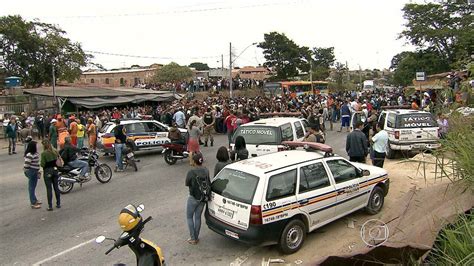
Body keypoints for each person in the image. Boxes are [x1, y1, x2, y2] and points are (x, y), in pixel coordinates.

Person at [185, 152, 209, 245]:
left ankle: (193, 238)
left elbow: (187, 183)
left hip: (193, 197)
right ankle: (196, 237)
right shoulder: (206, 170)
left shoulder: (191, 172)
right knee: (198, 217)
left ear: (194, 162)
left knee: (189, 217)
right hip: (203, 198)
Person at [40, 139, 61, 211]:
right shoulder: (55, 151)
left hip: (48, 171)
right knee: (56, 187)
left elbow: (42, 164)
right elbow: (58, 160)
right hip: (55, 170)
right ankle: (58, 203)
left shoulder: (44, 154)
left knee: (49, 189)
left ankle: (50, 206)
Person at [24, 141, 42, 209]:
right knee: (31, 187)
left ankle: (35, 199)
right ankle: (33, 203)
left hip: (35, 171)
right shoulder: (29, 155)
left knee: (33, 187)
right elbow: (26, 165)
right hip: (31, 171)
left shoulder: (35, 154)